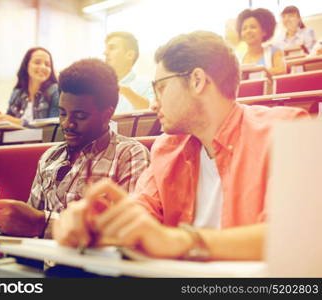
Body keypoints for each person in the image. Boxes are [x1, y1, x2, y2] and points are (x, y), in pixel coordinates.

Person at [53, 31, 308, 261]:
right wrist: (95, 223)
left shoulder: (287, 128)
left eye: (160, 87)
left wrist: (183, 241)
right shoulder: (167, 148)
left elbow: (295, 236)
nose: (153, 104)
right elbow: (142, 213)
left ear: (197, 80)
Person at [0, 59, 150, 237]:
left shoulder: (129, 154)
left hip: (88, 263)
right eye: (62, 113)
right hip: (36, 260)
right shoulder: (50, 157)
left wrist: (42, 223)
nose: (67, 123)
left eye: (80, 116)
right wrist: (6, 221)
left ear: (107, 114)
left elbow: (126, 230)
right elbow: (28, 223)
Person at [0, 47, 59, 127]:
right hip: (14, 139)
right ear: (26, 65)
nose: (43, 67)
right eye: (37, 62)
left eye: (47, 64)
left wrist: (19, 122)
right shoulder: (17, 93)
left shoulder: (55, 91)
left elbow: (53, 128)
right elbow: (9, 121)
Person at [104, 31, 154, 113]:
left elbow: (152, 111)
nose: (105, 53)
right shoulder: (97, 89)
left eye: (112, 48)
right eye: (106, 49)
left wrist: (127, 92)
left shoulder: (147, 85)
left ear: (130, 55)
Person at [236, 8, 286, 75]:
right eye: (244, 28)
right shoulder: (238, 58)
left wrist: (254, 74)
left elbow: (281, 70)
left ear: (264, 31)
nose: (248, 31)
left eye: (253, 27)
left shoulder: (274, 52)